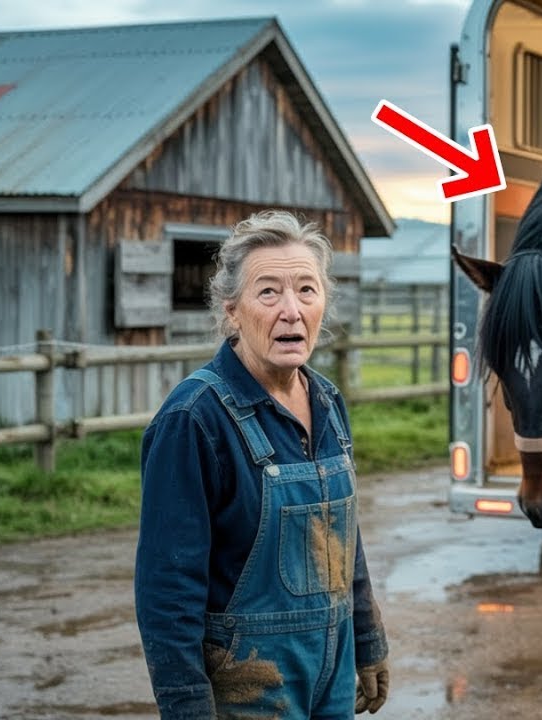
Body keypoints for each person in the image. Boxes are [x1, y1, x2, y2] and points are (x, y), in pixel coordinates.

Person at [135, 210, 390, 718]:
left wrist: (366, 635)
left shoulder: (327, 402)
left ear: (324, 304)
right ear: (232, 310)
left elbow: (343, 540)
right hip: (249, 687)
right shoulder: (194, 419)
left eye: (306, 290)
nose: (291, 311)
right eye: (268, 292)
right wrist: (186, 706)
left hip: (332, 676)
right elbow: (167, 588)